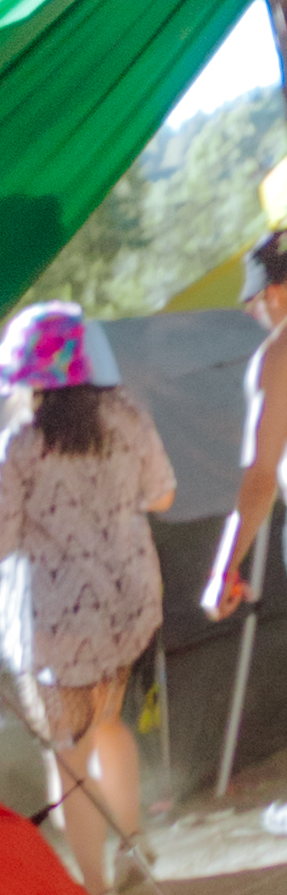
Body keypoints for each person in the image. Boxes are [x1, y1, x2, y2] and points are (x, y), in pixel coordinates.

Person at [0, 300, 177, 895]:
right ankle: (135, 842)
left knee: (70, 753)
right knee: (108, 722)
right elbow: (162, 496)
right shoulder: (129, 417)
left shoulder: (19, 447)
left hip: (56, 629)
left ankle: (96, 892)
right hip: (129, 610)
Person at [202, 225, 287, 619]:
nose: (252, 314)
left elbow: (261, 477)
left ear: (274, 292)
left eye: (252, 302)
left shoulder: (278, 355)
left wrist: (224, 569)